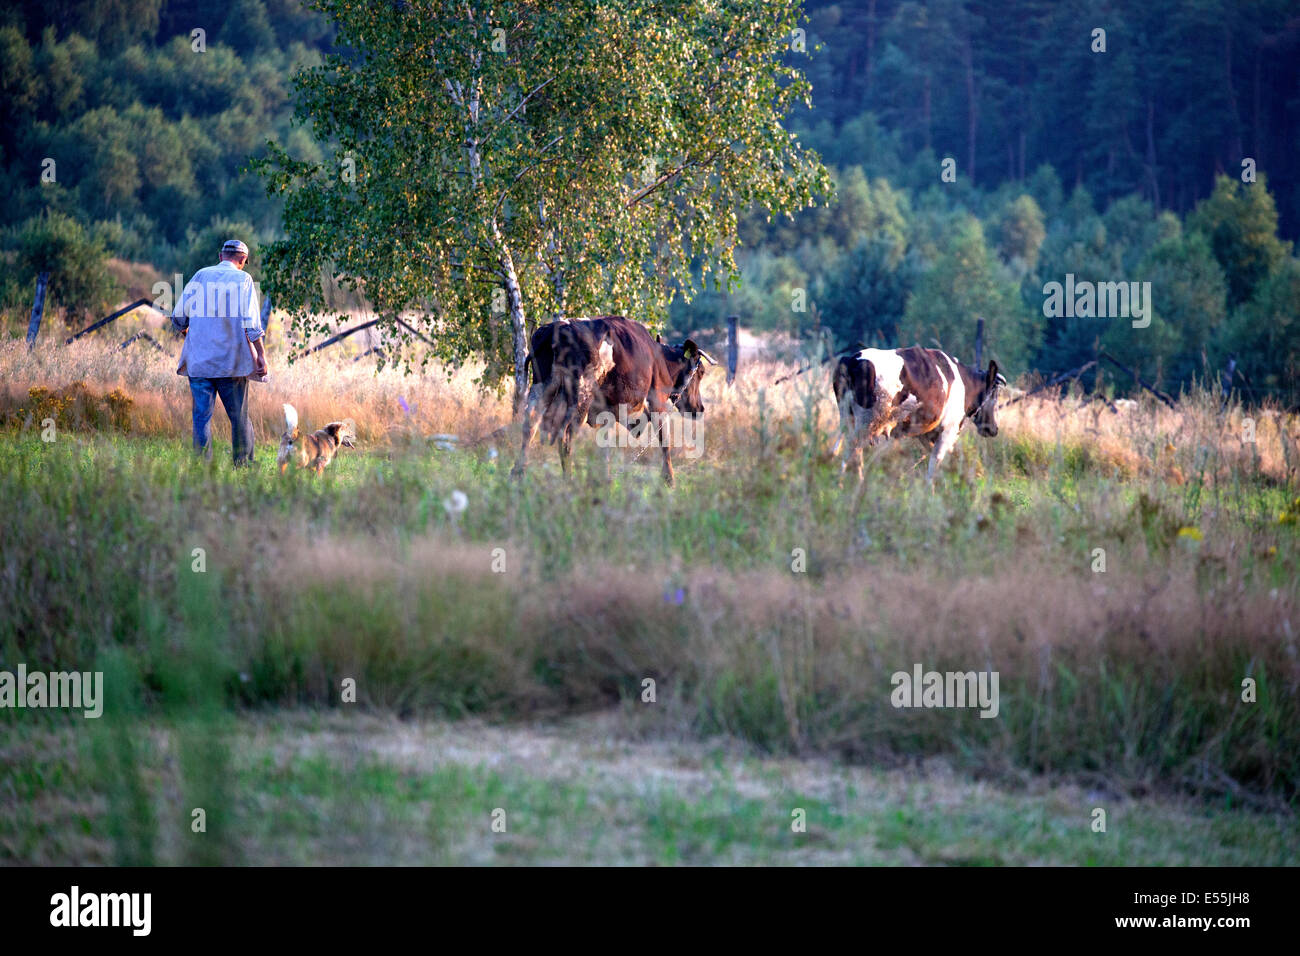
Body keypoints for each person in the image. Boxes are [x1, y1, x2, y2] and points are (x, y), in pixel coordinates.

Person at [171, 239, 267, 465]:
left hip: (199, 363)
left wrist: (192, 334)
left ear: (220, 256)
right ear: (243, 260)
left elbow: (178, 317)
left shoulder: (200, 275)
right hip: (231, 363)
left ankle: (203, 468)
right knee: (239, 417)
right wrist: (261, 354)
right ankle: (242, 465)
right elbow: (252, 324)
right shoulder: (243, 279)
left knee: (201, 418)